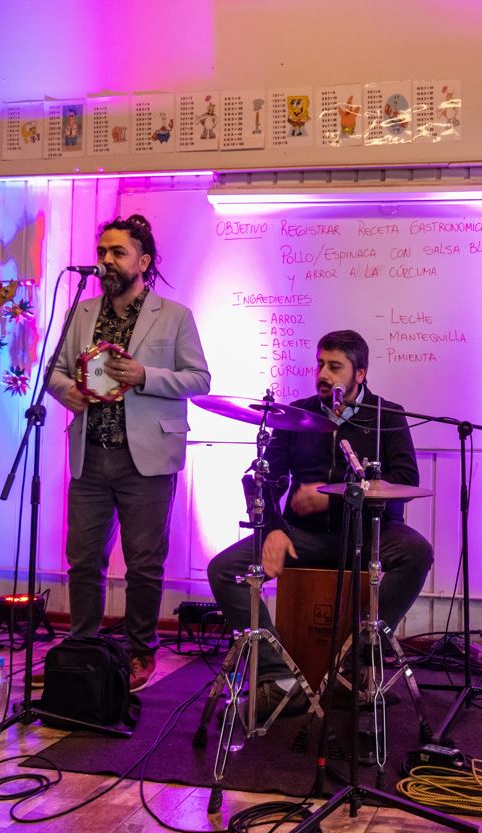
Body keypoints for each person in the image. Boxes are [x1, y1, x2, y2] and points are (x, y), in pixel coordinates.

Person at [206, 330, 433, 716]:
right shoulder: (297, 414)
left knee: (417, 552)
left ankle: (355, 663)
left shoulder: (387, 415)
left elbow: (406, 480)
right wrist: (273, 529)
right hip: (304, 535)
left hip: (367, 533)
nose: (323, 374)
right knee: (224, 569)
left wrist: (336, 492)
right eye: (320, 364)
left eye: (335, 367)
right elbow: (263, 479)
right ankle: (278, 678)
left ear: (360, 373)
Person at [47, 215, 211, 691]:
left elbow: (200, 380)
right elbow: (55, 371)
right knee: (83, 560)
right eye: (102, 251)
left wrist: (145, 376)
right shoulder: (81, 311)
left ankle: (141, 651)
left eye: (117, 252)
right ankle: (81, 649)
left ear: (143, 261)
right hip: (90, 454)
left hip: (147, 459)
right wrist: (66, 392)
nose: (106, 260)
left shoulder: (174, 315)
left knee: (143, 563)